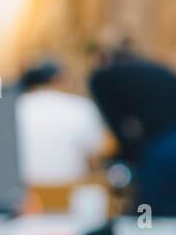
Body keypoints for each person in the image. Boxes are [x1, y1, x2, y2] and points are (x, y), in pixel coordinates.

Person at [89, 57, 176, 220]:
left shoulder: (100, 83)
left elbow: (120, 129)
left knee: (150, 216)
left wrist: (131, 156)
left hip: (170, 148)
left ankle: (142, 232)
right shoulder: (148, 71)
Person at [14, 59, 108, 189]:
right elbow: (94, 161)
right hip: (71, 197)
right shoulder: (81, 107)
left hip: (26, 199)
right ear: (58, 79)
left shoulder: (14, 108)